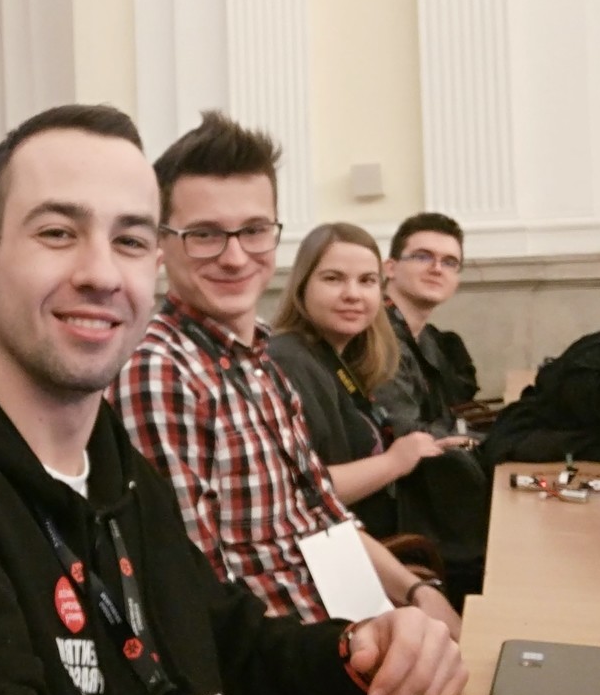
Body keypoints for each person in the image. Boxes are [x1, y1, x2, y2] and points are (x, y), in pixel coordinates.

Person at [0, 104, 465, 695]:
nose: (101, 274)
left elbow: (228, 642)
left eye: (130, 241)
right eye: (57, 232)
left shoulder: (117, 468)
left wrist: (361, 649)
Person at [109, 112, 462, 638]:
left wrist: (417, 594)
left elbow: (324, 515)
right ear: (162, 244)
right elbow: (202, 600)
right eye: (204, 234)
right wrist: (359, 652)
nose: (235, 257)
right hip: (303, 658)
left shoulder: (261, 358)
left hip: (351, 624)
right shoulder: (160, 371)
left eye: (254, 231)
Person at [269, 223, 469, 539]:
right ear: (302, 286)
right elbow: (293, 494)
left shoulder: (340, 357)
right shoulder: (289, 360)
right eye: (333, 278)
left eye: (367, 281)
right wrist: (396, 461)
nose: (352, 294)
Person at [374, 212, 480, 438]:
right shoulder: (377, 334)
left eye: (449, 262)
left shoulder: (426, 338)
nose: (437, 268)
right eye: (423, 257)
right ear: (390, 268)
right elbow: (404, 431)